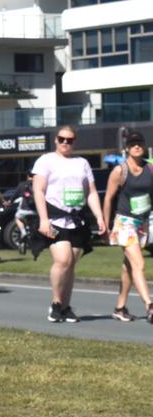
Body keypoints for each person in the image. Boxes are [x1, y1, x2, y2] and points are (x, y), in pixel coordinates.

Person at [32, 126, 105, 323]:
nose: (65, 143)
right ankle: (56, 303)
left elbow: (90, 192)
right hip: (55, 218)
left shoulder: (82, 163)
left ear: (74, 142)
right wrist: (43, 219)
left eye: (70, 140)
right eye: (62, 139)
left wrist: (99, 216)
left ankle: (65, 306)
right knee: (62, 260)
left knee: (71, 264)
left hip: (77, 219)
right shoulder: (46, 161)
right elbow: (38, 190)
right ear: (55, 139)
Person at [102, 130, 153, 322]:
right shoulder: (120, 171)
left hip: (143, 222)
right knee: (139, 264)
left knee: (129, 267)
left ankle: (120, 307)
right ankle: (150, 305)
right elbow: (108, 198)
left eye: (139, 143)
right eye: (133, 144)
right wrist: (105, 225)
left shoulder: (150, 169)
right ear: (127, 148)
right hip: (125, 222)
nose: (137, 146)